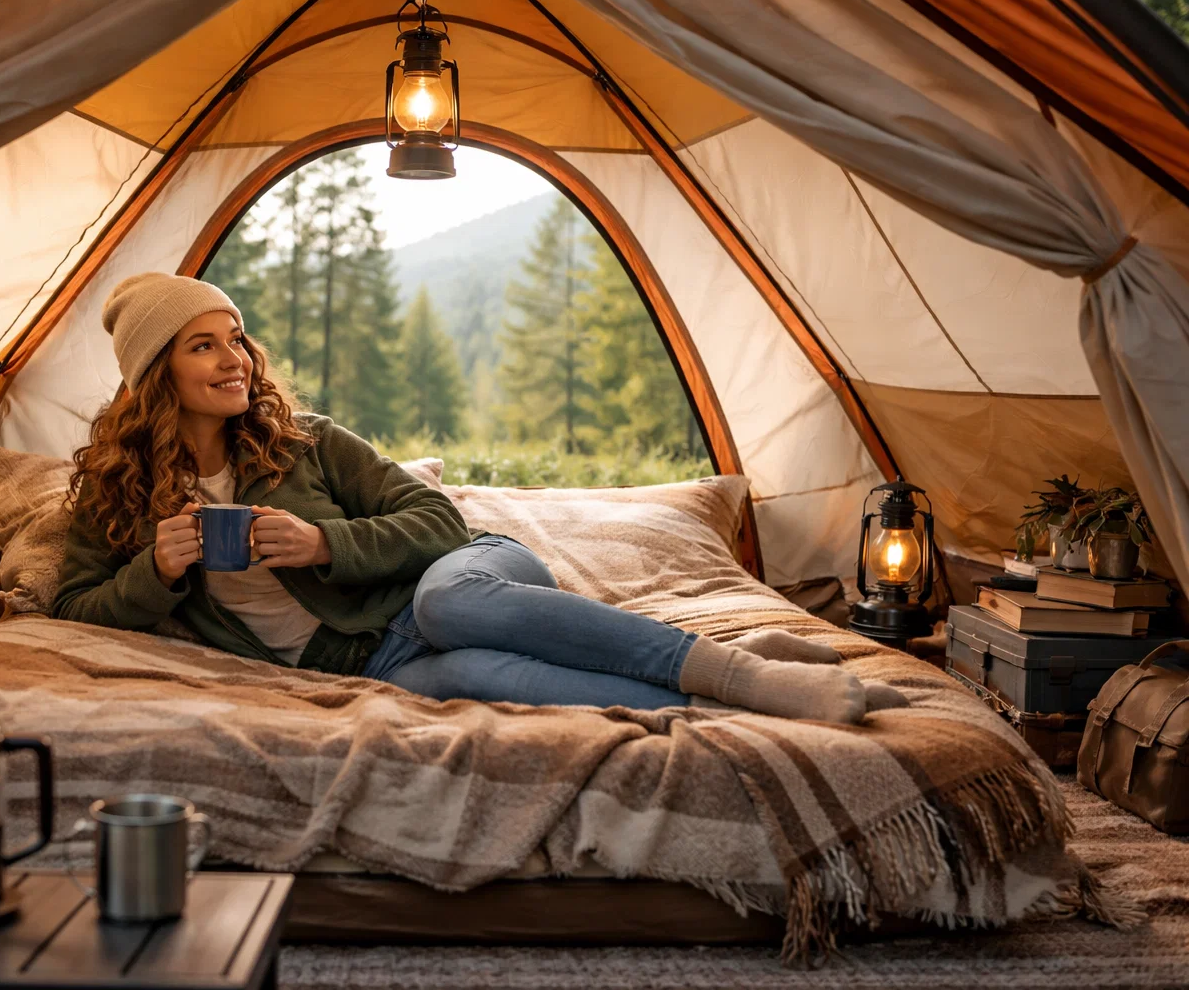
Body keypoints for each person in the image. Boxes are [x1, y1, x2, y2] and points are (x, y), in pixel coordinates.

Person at [53, 273, 906, 725]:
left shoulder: (303, 438)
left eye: (235, 337)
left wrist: (326, 548)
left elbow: (440, 522)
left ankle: (743, 669)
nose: (234, 357)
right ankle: (743, 698)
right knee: (462, 681)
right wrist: (158, 572)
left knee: (451, 604)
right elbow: (74, 606)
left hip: (464, 575)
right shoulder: (116, 491)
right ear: (156, 371)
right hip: (370, 660)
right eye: (204, 345)